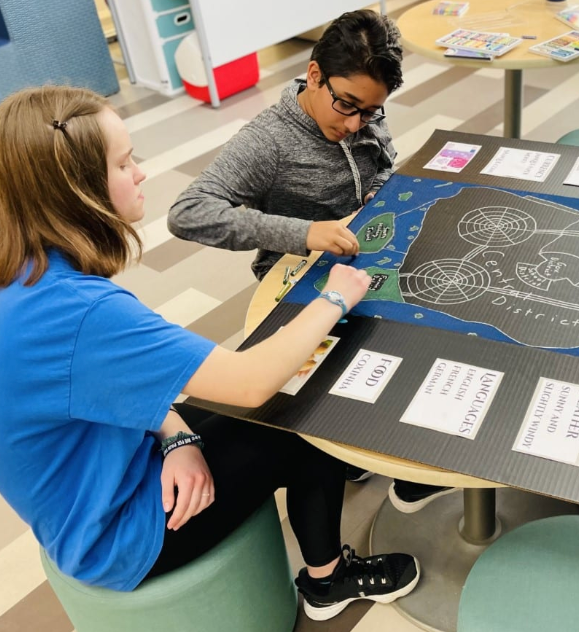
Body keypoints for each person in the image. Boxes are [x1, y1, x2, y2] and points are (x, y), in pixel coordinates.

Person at [0, 85, 419, 621]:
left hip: (98, 472)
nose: (141, 173)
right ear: (76, 191)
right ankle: (328, 582)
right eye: (124, 164)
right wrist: (335, 297)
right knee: (306, 422)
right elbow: (250, 382)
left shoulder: (25, 275)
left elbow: (103, 382)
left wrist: (177, 434)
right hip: (118, 534)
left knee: (272, 403)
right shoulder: (80, 313)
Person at [167, 9, 454, 511]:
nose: (355, 123)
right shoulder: (269, 141)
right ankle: (378, 458)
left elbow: (382, 164)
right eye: (347, 106)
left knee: (437, 321)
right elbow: (187, 213)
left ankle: (393, 459)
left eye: (370, 112)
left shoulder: (363, 106)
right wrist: (303, 233)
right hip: (300, 282)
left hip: (365, 257)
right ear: (314, 74)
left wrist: (379, 193)